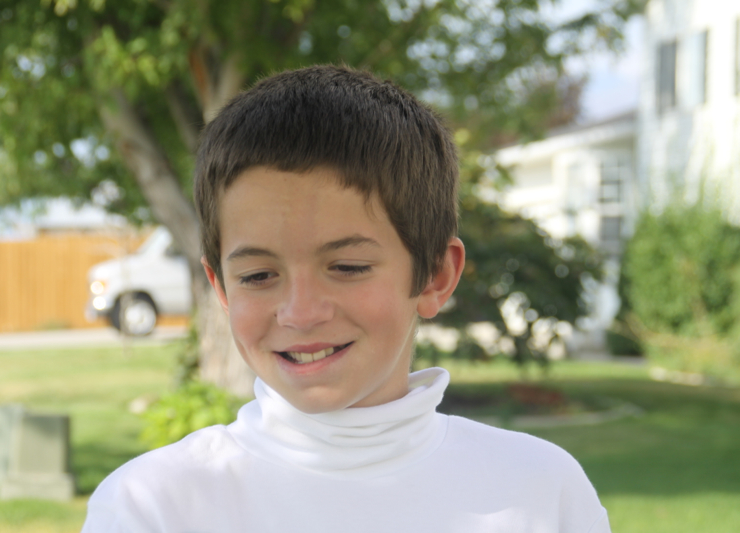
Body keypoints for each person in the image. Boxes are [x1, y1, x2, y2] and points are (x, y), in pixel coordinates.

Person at [82, 65, 610, 533]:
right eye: (260, 275)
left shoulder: (540, 492)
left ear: (434, 276)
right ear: (220, 287)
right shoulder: (152, 507)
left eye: (348, 268)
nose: (301, 312)